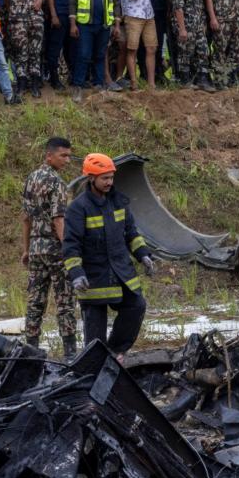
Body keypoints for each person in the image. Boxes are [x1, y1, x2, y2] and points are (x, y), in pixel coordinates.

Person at [62, 153, 154, 358]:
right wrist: (76, 273)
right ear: (90, 178)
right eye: (104, 178)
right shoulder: (78, 208)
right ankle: (94, 368)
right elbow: (71, 245)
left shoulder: (118, 201)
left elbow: (131, 232)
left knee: (136, 305)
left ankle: (115, 351)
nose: (109, 182)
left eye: (111, 177)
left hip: (121, 272)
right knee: (95, 338)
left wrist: (143, 255)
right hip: (94, 278)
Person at [21, 137, 78, 358]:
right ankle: (70, 352)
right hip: (56, 248)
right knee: (65, 300)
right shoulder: (57, 182)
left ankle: (31, 350)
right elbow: (59, 219)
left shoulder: (31, 178)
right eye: (63, 155)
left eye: (68, 155)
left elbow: (25, 218)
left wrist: (26, 249)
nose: (67, 160)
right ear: (49, 155)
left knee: (35, 300)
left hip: (36, 247)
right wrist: (69, 247)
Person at [68, 0, 119, 98]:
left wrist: (116, 25)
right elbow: (72, 1)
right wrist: (73, 24)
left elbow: (116, 2)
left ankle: (99, 84)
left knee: (100, 54)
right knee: (83, 55)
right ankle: (78, 86)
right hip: (85, 25)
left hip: (104, 25)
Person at [1, 0, 46, 98]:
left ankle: (34, 83)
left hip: (36, 17)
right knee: (21, 51)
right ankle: (21, 82)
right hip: (18, 19)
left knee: (35, 51)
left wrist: (41, 0)